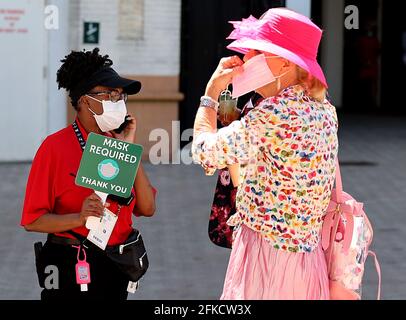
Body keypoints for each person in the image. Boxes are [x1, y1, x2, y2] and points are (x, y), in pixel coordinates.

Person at [192, 8, 338, 299]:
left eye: (256, 52)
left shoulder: (275, 112)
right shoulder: (325, 110)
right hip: (307, 262)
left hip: (268, 260)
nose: (245, 60)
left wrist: (211, 93)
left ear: (283, 63)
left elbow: (203, 151)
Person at [21, 48, 156, 300]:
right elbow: (32, 221)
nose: (117, 102)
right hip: (70, 264)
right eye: (109, 95)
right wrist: (79, 218)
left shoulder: (118, 144)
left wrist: (128, 149)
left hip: (115, 263)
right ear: (84, 101)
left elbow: (148, 208)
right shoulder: (54, 148)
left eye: (120, 96)